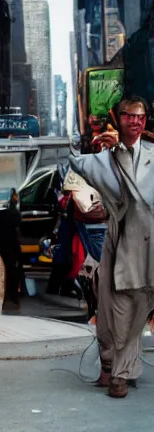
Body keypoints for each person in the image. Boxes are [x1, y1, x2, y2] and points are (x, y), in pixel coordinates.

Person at [69, 95, 154, 398]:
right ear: (118, 119)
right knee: (117, 307)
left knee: (141, 306)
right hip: (119, 241)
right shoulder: (105, 156)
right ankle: (118, 371)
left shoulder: (152, 155)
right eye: (129, 116)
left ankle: (116, 368)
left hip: (150, 243)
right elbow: (74, 164)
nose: (135, 122)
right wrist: (94, 146)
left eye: (140, 117)